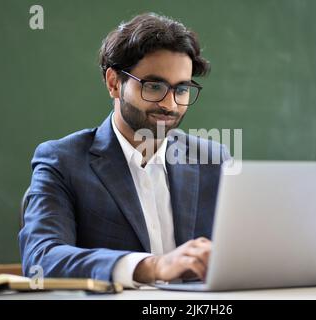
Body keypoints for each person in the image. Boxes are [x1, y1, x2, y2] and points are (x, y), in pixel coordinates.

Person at [19, 12, 230, 289]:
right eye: (154, 86)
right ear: (114, 83)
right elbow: (42, 258)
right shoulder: (62, 161)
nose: (170, 104)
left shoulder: (215, 160)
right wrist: (152, 266)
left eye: (181, 89)